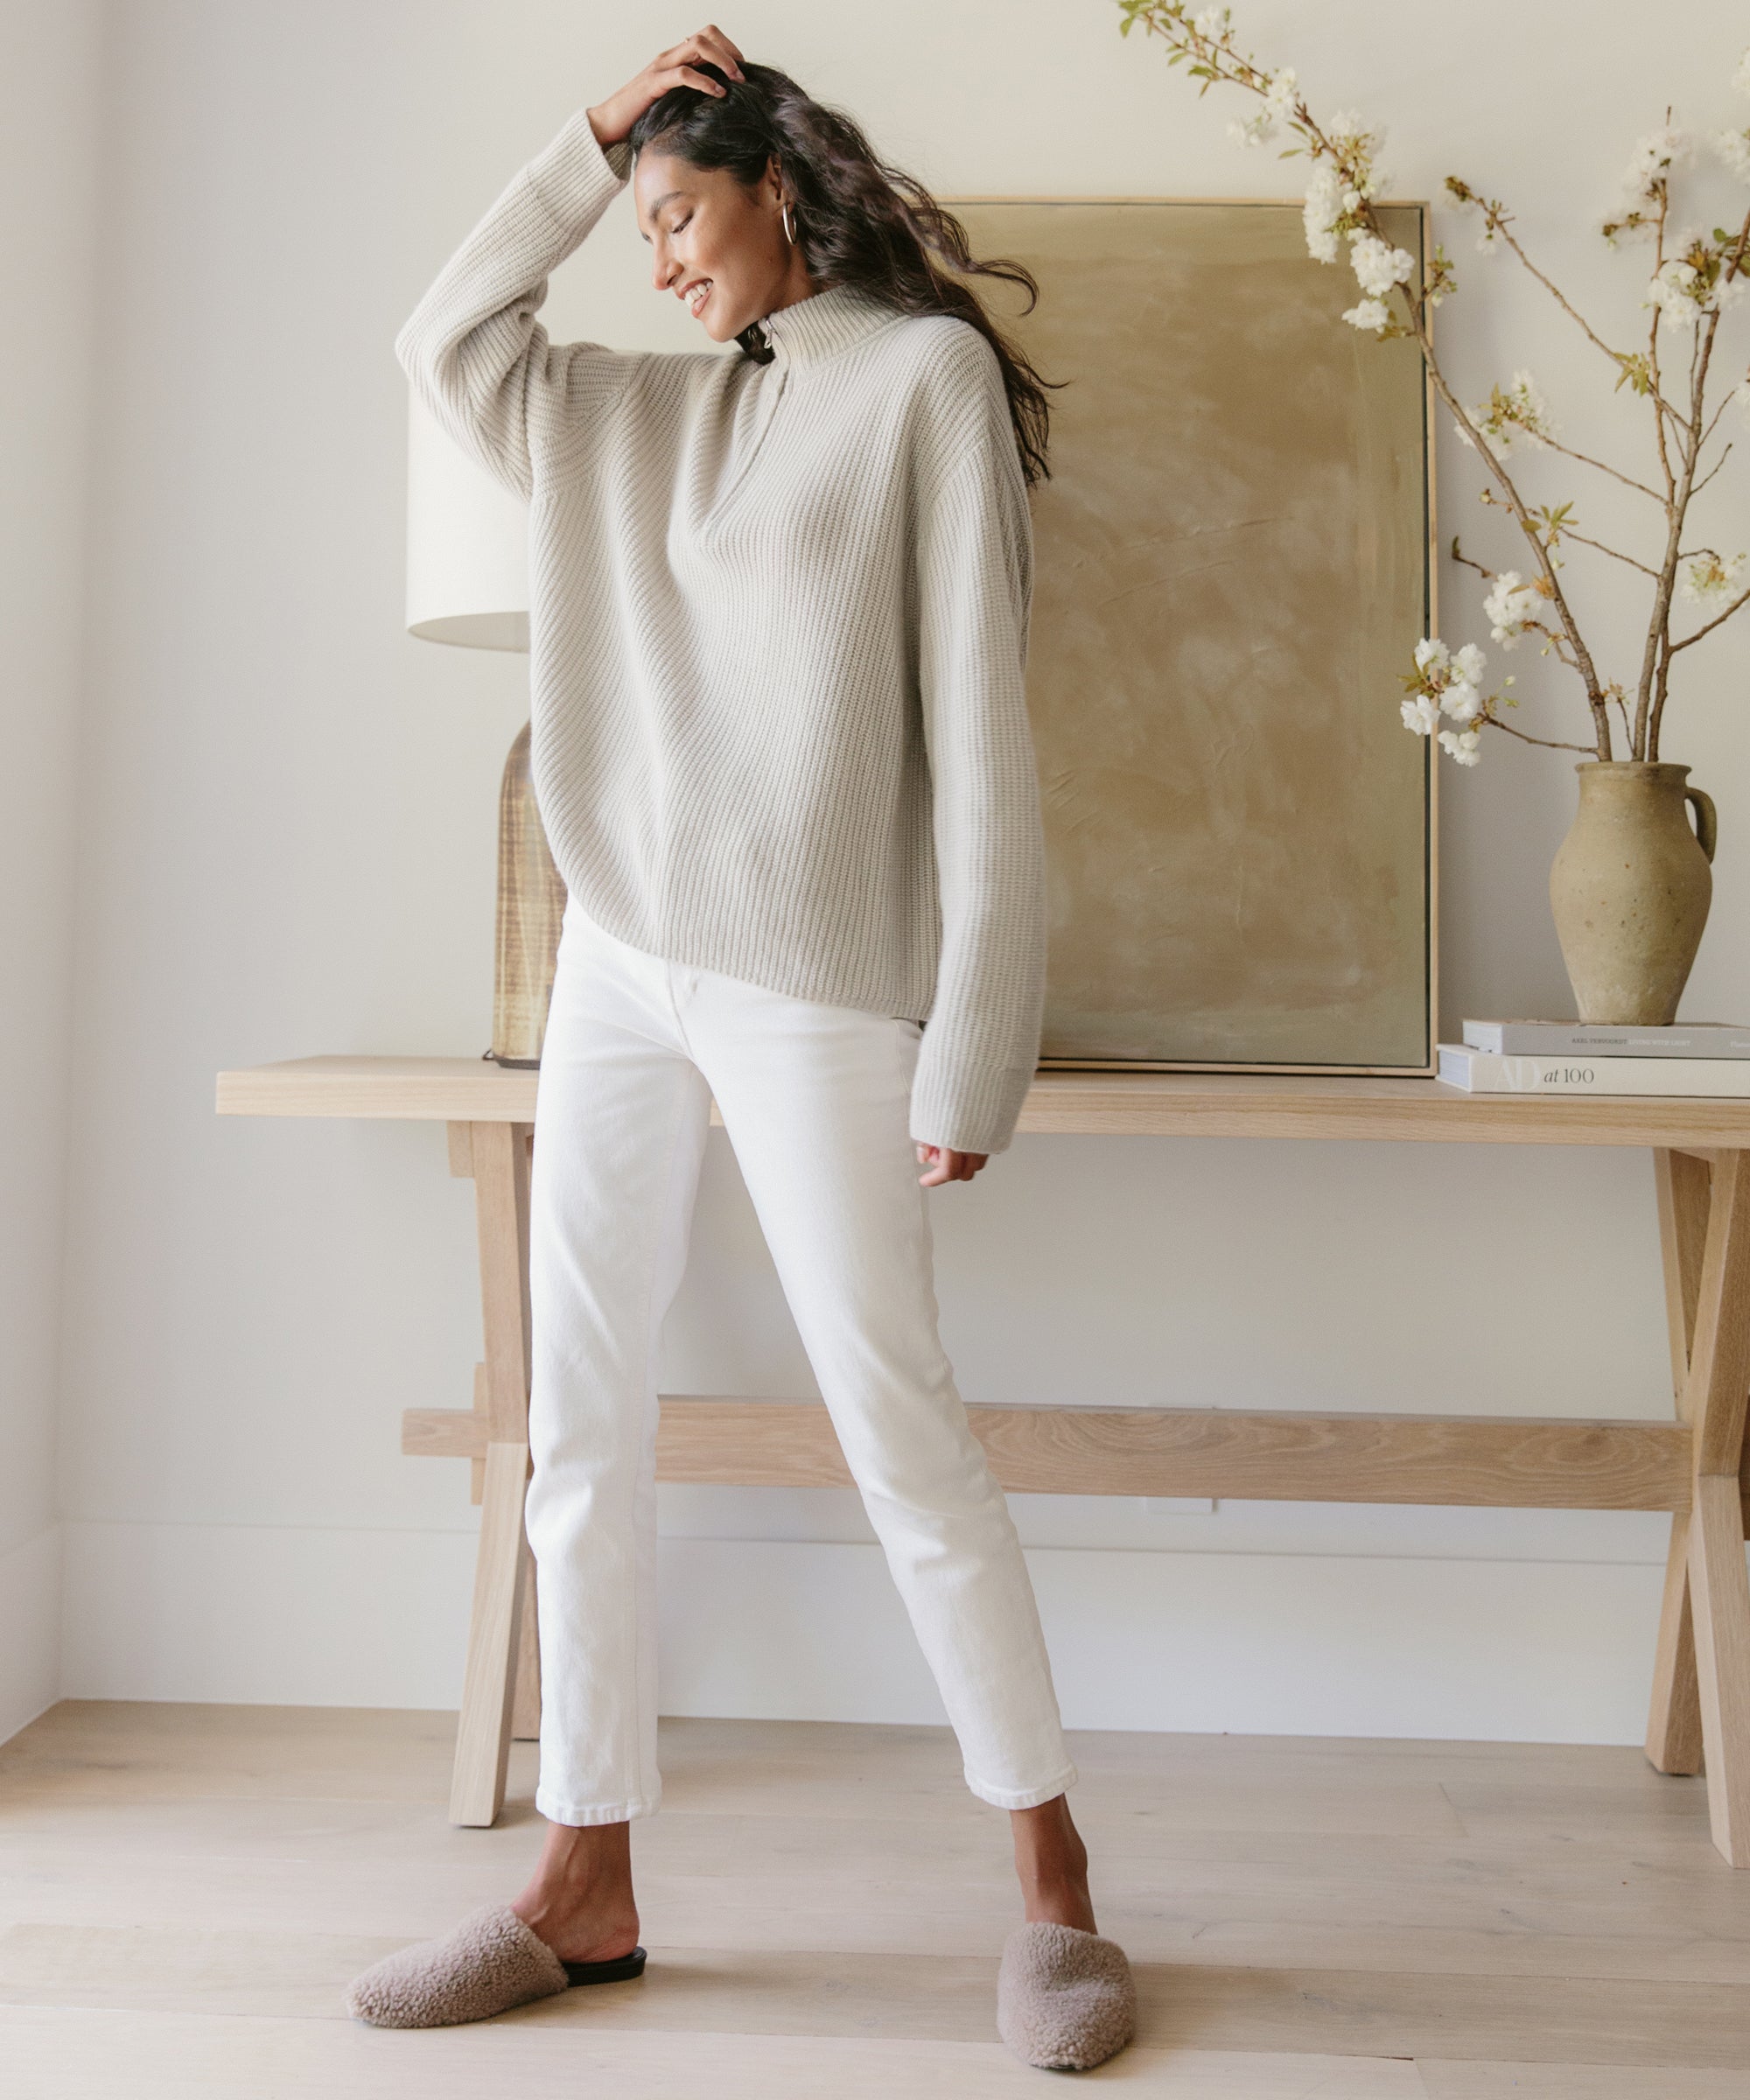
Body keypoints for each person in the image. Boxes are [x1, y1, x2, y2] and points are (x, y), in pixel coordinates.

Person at [346, 27, 1135, 2071]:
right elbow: (442, 336)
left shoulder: (922, 387)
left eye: (680, 216)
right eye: (636, 231)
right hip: (616, 959)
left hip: (813, 979)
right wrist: (597, 133)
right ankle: (582, 1880)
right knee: (579, 1425)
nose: (659, 261)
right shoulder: (629, 416)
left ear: (779, 187)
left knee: (898, 1422)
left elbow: (983, 740)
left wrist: (978, 1042)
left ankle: (1053, 1889)